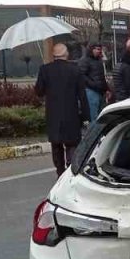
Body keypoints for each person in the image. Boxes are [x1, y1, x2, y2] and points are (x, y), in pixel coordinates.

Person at [34, 43, 88, 176]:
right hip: (72, 113)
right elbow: (82, 95)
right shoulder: (75, 70)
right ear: (66, 54)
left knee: (56, 144)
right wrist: (86, 116)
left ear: (53, 55)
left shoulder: (45, 69)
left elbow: (39, 92)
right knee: (72, 143)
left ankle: (59, 171)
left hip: (53, 114)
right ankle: (70, 171)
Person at [76, 43, 109, 121]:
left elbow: (102, 76)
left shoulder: (99, 60)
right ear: (91, 49)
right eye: (96, 49)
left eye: (100, 49)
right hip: (91, 92)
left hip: (101, 92)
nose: (99, 51)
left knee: (101, 116)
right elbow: (81, 76)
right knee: (93, 117)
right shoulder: (84, 60)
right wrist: (93, 85)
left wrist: (106, 89)